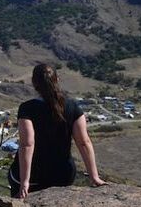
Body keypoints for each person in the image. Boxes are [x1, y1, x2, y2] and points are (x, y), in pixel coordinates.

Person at [8, 63, 107, 198]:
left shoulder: (27, 108)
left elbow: (27, 144)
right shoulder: (73, 107)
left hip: (35, 177)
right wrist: (94, 176)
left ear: (34, 82)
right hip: (62, 176)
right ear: (57, 80)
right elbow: (84, 142)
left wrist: (25, 181)